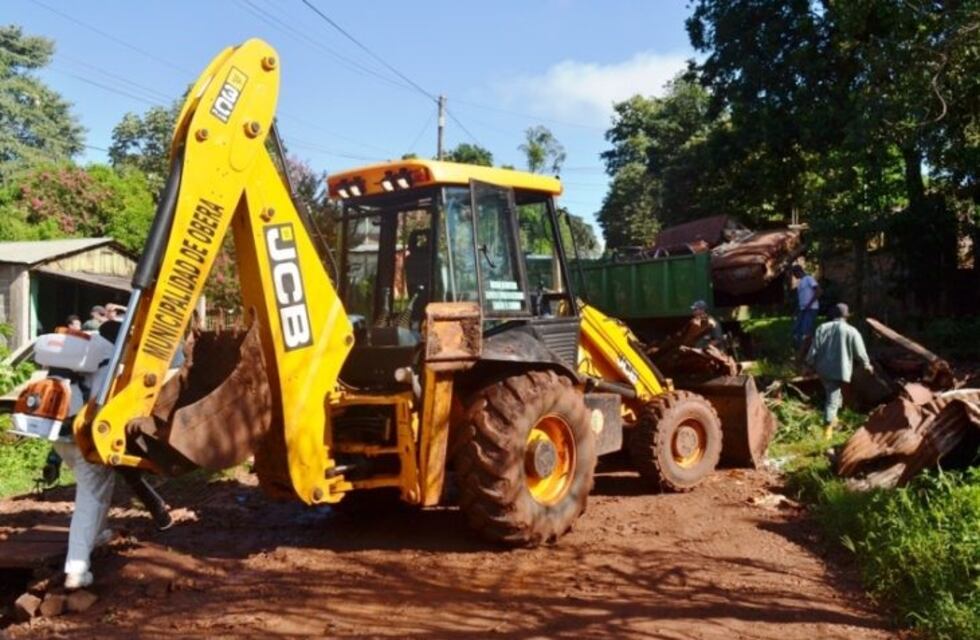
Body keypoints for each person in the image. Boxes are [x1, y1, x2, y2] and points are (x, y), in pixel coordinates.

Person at [806, 303, 873, 440]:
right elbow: (860, 352)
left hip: (823, 369)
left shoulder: (822, 328)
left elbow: (813, 349)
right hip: (839, 370)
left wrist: (809, 364)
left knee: (835, 395)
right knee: (832, 399)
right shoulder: (851, 331)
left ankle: (835, 420)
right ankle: (827, 431)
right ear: (846, 316)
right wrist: (867, 364)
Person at [792, 265, 821, 353]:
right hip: (802, 309)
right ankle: (800, 349)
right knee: (796, 329)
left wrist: (809, 304)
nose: (794, 276)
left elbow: (818, 291)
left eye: (794, 274)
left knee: (805, 330)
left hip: (811, 308)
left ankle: (808, 351)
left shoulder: (809, 279)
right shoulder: (800, 283)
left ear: (798, 271)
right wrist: (796, 310)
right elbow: (801, 299)